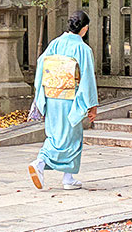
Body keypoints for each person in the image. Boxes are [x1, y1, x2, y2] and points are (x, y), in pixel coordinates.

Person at [28, 10, 99, 190]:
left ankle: (68, 177)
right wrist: (91, 105)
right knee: (72, 137)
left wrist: (41, 95)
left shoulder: (55, 44)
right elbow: (88, 78)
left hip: (52, 96)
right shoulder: (83, 49)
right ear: (85, 28)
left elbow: (42, 66)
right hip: (70, 98)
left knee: (55, 134)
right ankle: (41, 162)